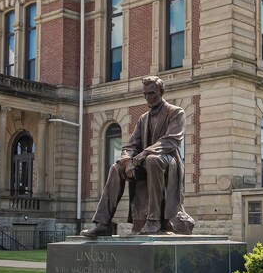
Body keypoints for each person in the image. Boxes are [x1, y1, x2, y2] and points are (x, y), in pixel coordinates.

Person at [81, 76, 195, 236]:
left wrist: (146, 152)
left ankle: (154, 221)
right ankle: (103, 223)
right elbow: (130, 145)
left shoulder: (176, 112)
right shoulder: (143, 119)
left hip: (169, 162)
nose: (148, 98)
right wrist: (127, 161)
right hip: (145, 162)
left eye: (152, 93)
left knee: (153, 160)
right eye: (145, 94)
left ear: (161, 92)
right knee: (116, 168)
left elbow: (172, 140)